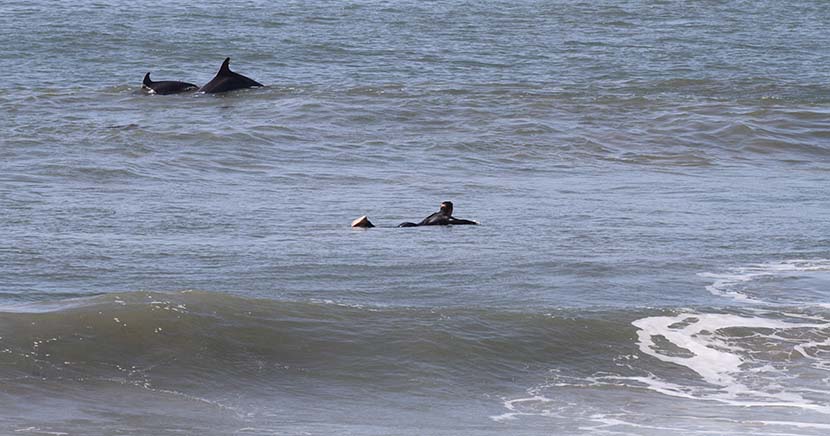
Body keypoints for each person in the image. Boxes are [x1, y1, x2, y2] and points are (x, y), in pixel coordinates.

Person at [398, 201, 478, 227]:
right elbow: (459, 221)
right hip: (412, 227)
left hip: (409, 224)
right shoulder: (446, 218)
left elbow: (456, 219)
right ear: (451, 209)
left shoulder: (434, 214)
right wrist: (473, 223)